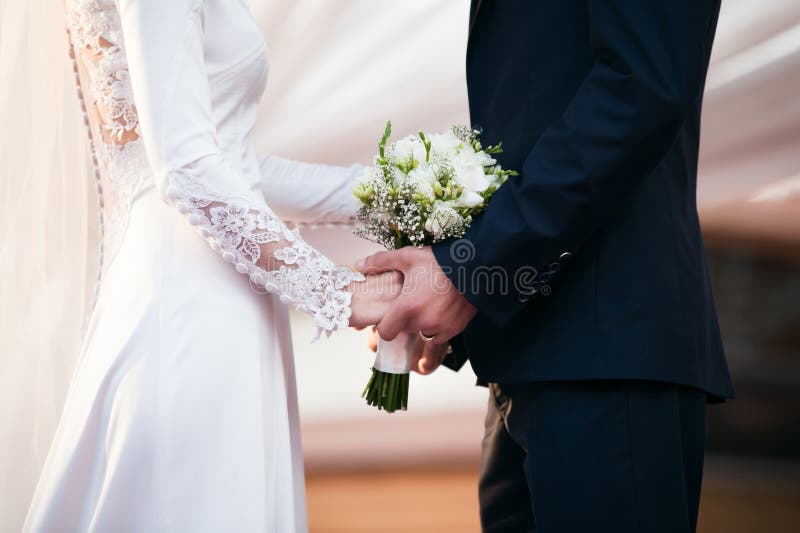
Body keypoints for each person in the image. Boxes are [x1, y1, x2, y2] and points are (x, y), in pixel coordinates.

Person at [359, 1, 735, 531]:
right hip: (529, 356)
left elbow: (640, 88)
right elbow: (539, 101)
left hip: (607, 354)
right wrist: (458, 281)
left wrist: (472, 271)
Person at [22, 1, 396, 531]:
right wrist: (337, 294)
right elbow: (185, 171)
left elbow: (232, 163)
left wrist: (393, 197)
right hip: (191, 294)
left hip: (214, 281)